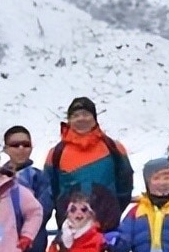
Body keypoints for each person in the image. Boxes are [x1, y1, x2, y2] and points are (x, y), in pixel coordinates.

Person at [44, 97, 134, 231]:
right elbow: (49, 190)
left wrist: (113, 209)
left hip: (107, 227)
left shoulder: (114, 148)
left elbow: (125, 185)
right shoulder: (56, 153)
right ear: (68, 121)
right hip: (70, 229)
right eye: (75, 115)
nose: (81, 118)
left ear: (94, 118)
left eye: (86, 114)